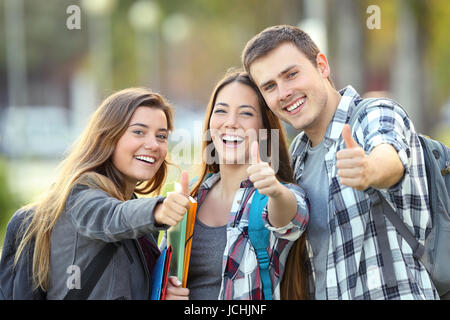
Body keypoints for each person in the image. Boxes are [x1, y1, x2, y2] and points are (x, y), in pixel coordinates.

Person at [241, 24, 439, 300]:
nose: (284, 92)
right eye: (270, 86)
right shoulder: (298, 155)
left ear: (322, 66)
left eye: (292, 74)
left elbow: (389, 156)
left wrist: (369, 170)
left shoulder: (373, 113)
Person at [0, 87, 190, 300]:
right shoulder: (80, 197)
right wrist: (158, 210)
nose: (153, 144)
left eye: (161, 136)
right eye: (138, 132)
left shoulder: (137, 219)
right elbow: (110, 216)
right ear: (107, 137)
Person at [170, 69, 309, 300]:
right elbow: (165, 273)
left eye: (245, 114)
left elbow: (293, 218)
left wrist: (274, 191)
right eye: (221, 111)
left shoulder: (276, 195)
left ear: (265, 131)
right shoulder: (192, 195)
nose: (231, 123)